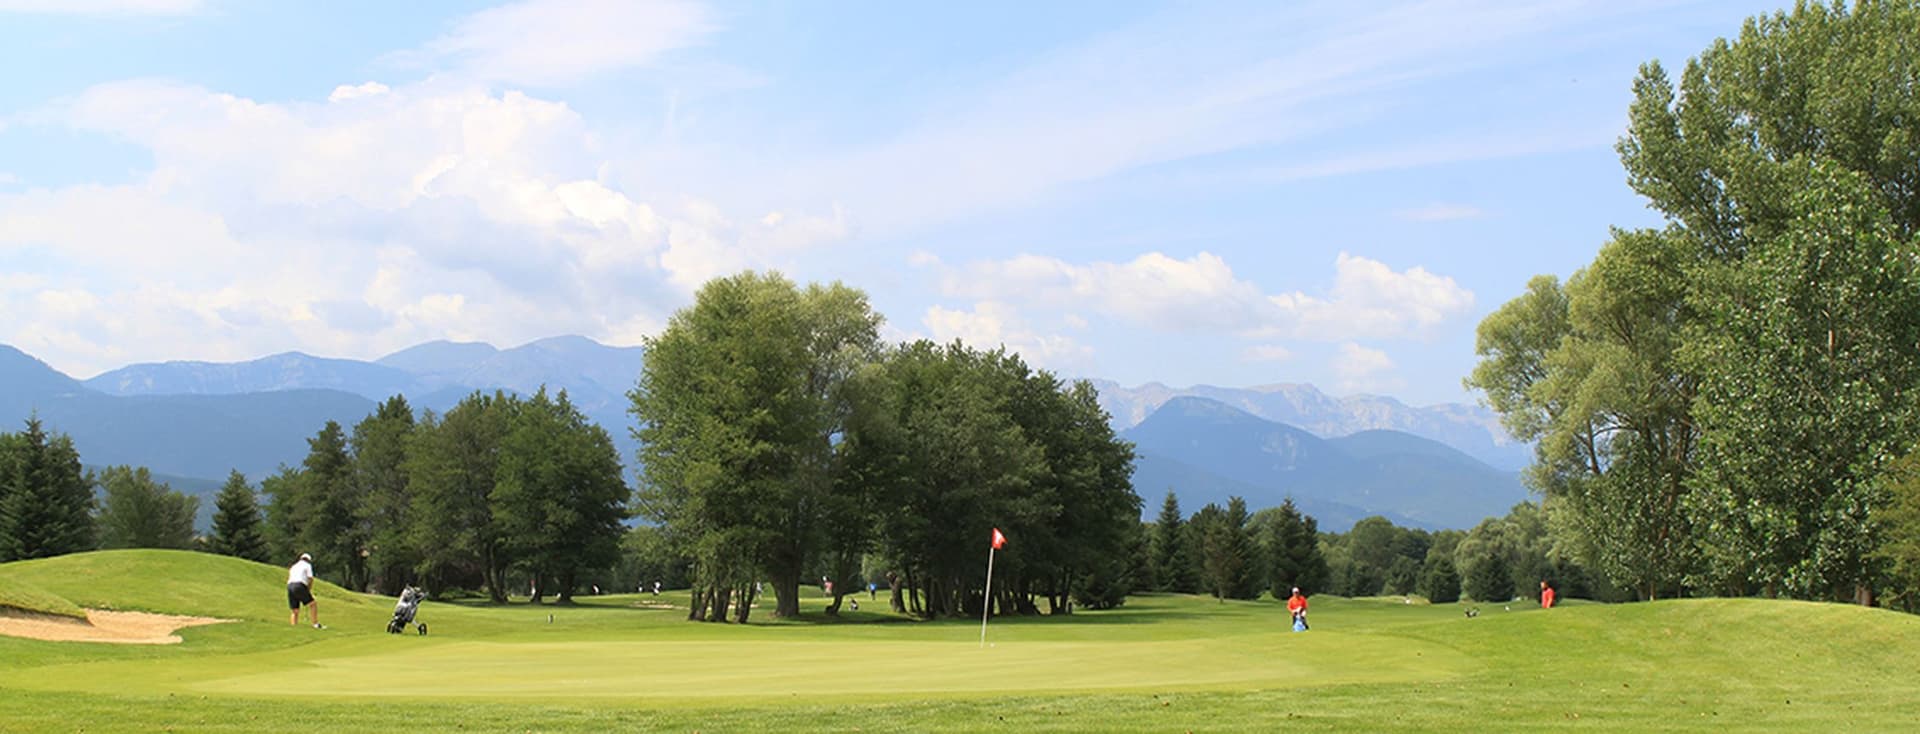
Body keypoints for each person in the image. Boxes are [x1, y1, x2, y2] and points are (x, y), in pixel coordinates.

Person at [288, 553, 321, 628]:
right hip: (299, 585)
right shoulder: (307, 565)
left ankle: (293, 626)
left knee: (295, 609)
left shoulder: (294, 566)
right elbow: (310, 578)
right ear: (308, 560)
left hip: (290, 586)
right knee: (313, 604)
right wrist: (308, 589)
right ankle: (315, 624)